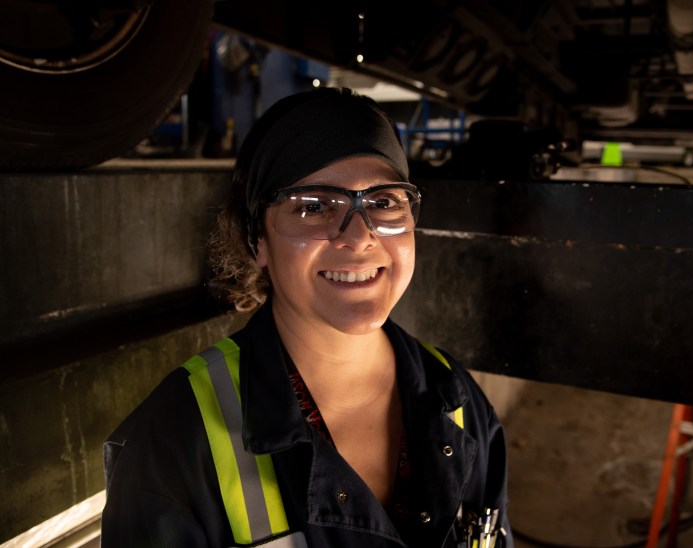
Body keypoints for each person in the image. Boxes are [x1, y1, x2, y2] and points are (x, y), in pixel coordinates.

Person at [101, 87, 510, 547]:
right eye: (314, 206)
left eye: (383, 202)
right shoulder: (171, 444)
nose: (359, 237)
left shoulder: (458, 400)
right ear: (258, 239)